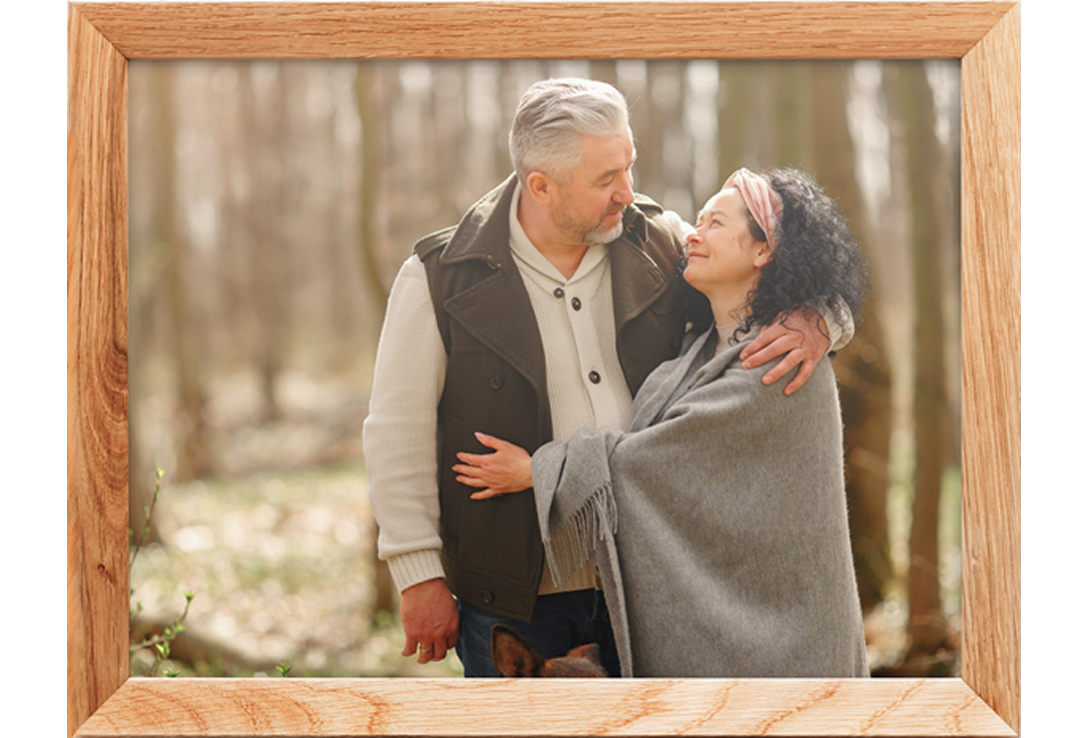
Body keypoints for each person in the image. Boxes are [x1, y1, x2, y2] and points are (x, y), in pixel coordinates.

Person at [362, 79, 850, 677]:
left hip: (649, 582)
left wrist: (823, 317)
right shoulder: (440, 276)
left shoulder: (660, 242)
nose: (628, 192)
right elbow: (397, 432)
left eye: (629, 167)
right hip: (516, 595)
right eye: (605, 179)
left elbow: (776, 269)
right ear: (541, 185)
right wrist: (419, 576)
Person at [453, 167, 870, 678]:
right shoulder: (697, 349)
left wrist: (540, 471)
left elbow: (657, 460)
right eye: (697, 219)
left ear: (764, 251)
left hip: (787, 643)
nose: (693, 234)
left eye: (716, 222)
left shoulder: (782, 362)